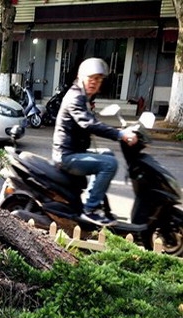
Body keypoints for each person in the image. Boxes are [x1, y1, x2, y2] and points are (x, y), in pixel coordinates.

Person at [52, 57, 139, 226]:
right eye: (91, 78)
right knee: (109, 164)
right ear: (80, 77)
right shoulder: (75, 97)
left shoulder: (84, 97)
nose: (94, 82)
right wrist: (120, 134)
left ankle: (97, 202)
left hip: (75, 152)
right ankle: (90, 210)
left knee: (107, 154)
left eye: (98, 79)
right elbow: (89, 123)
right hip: (66, 156)